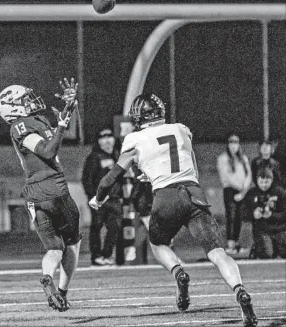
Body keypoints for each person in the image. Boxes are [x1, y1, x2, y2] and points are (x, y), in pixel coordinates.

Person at [89, 93, 257, 327]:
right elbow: (190, 165)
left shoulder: (134, 139)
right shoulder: (180, 129)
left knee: (158, 244)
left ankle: (178, 271)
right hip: (193, 192)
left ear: (139, 116)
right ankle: (240, 290)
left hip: (165, 196)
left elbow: (110, 179)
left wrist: (97, 199)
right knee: (218, 253)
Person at [0, 78, 82, 312]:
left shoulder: (35, 121)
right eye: (24, 100)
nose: (31, 101)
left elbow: (61, 137)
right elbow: (48, 150)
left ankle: (47, 277)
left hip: (35, 195)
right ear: (13, 107)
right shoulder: (21, 126)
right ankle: (62, 292)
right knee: (73, 243)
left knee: (54, 248)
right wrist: (62, 126)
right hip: (53, 188)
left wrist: (69, 108)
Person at [82, 128, 123, 266]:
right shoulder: (94, 157)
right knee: (97, 227)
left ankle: (107, 255)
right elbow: (87, 179)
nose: (106, 140)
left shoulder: (118, 155)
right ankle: (96, 256)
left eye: (109, 136)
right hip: (99, 199)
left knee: (114, 227)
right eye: (102, 137)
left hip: (115, 199)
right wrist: (93, 197)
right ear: (98, 141)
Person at [217, 134, 252, 254]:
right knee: (231, 216)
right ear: (228, 144)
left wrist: (243, 190)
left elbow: (248, 175)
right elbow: (226, 176)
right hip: (230, 190)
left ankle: (236, 242)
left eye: (236, 142)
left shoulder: (243, 158)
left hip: (242, 191)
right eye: (231, 142)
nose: (233, 145)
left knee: (239, 216)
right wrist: (239, 189)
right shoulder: (223, 158)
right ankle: (230, 243)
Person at [245, 167, 286, 259]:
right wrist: (254, 214)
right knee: (266, 254)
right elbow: (243, 213)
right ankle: (258, 248)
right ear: (257, 181)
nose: (264, 185)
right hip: (262, 231)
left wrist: (272, 215)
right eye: (261, 182)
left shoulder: (280, 193)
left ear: (271, 180)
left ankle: (277, 247)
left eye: (266, 182)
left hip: (280, 230)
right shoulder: (251, 193)